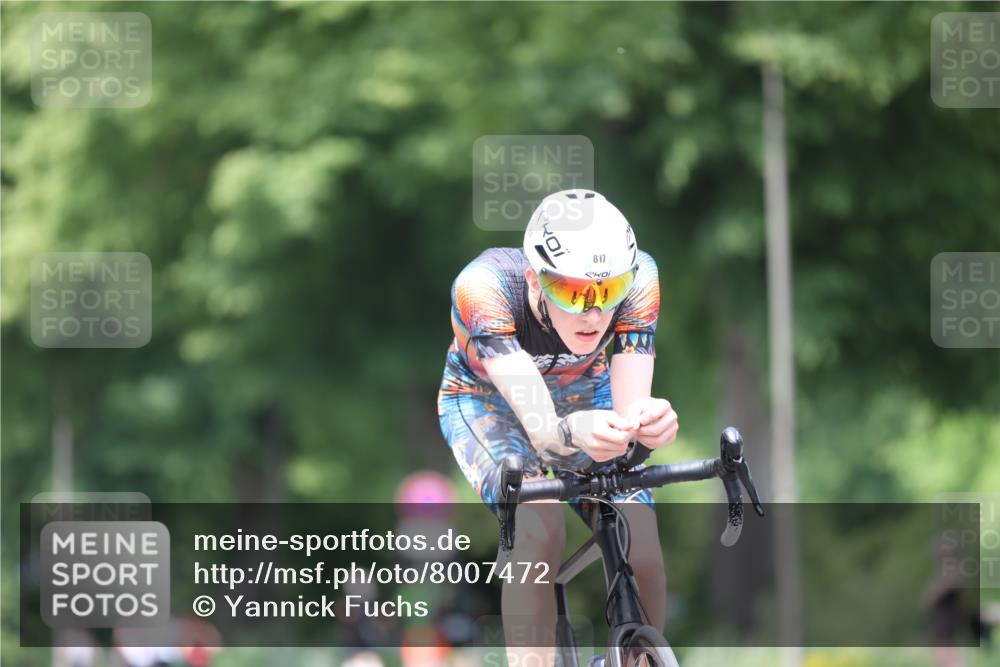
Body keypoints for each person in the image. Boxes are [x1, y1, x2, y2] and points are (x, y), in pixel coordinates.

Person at [437, 189, 679, 665]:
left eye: (607, 292)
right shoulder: (482, 289)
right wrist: (574, 433)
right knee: (539, 523)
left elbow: (629, 423)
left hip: (583, 393)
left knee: (642, 539)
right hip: (491, 405)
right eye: (573, 293)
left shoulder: (642, 280)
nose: (593, 314)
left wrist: (648, 427)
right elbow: (545, 431)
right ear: (534, 277)